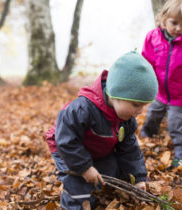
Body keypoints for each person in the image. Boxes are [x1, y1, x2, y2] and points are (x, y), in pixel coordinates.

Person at [45, 51, 158, 209]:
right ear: (117, 94)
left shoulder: (126, 120)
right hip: (66, 148)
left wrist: (138, 178)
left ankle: (102, 186)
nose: (140, 111)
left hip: (96, 149)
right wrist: (84, 167)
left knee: (112, 167)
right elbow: (66, 140)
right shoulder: (82, 109)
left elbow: (129, 149)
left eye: (144, 106)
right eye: (136, 105)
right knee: (79, 181)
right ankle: (76, 203)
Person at [140, 0, 182, 167]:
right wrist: (144, 83)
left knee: (178, 125)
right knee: (152, 116)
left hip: (180, 97)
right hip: (159, 93)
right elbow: (146, 62)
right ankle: (146, 136)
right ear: (164, 19)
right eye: (174, 23)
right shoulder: (153, 37)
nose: (178, 28)